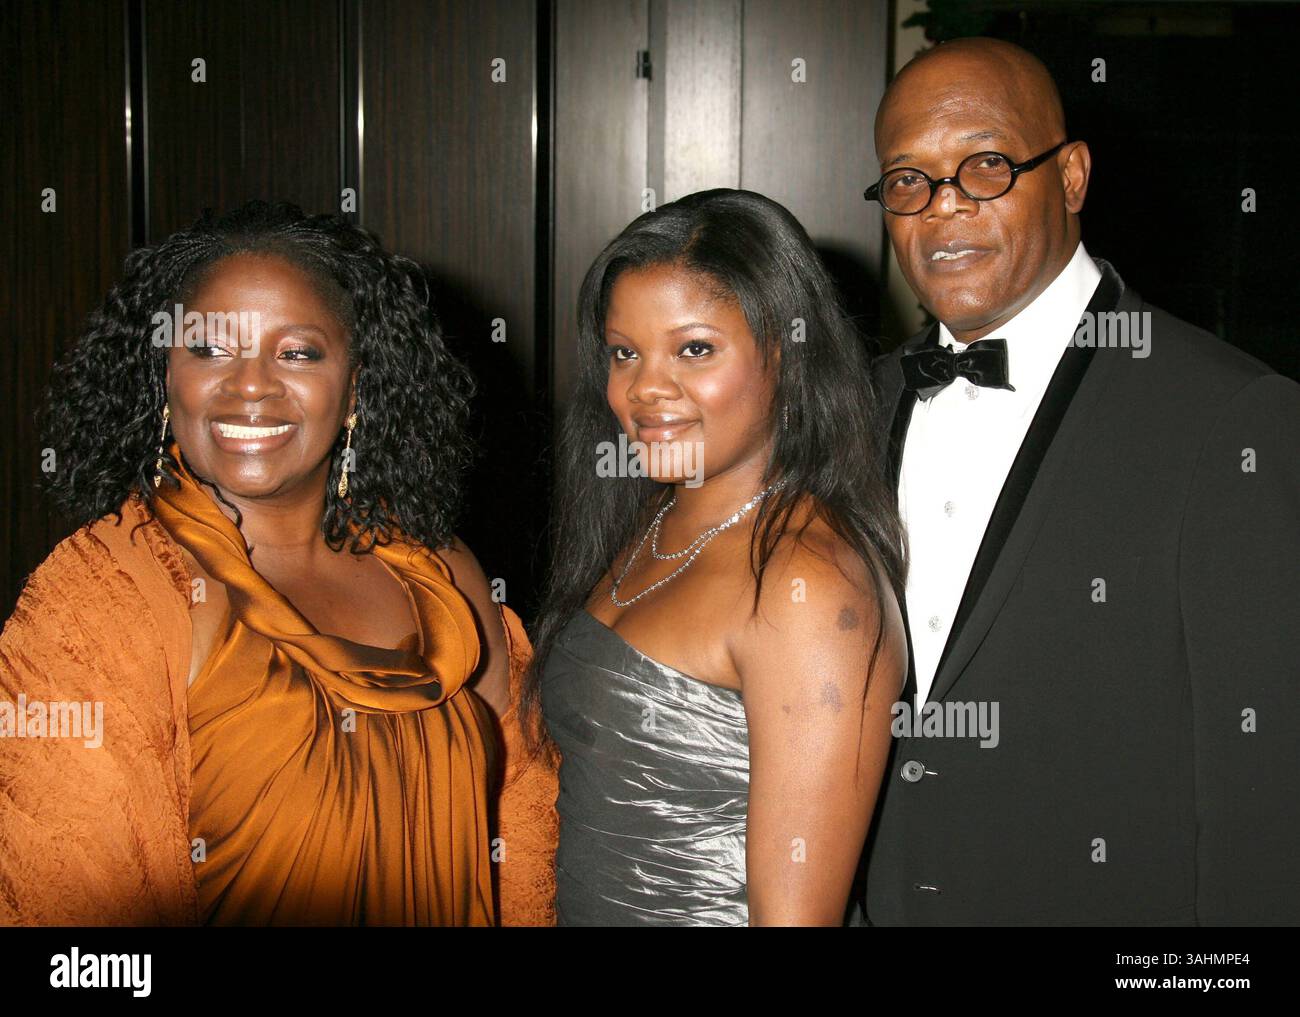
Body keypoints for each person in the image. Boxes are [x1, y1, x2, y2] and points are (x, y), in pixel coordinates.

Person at [0, 200, 557, 926]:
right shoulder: (104, 594)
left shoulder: (443, 573)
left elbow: (524, 846)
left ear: (356, 386)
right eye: (209, 349)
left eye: (296, 353)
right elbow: (68, 919)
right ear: (163, 376)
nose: (251, 385)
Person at [859, 37, 1300, 925]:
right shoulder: (855, 403)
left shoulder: (1230, 416)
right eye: (908, 179)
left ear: (1070, 177)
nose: (943, 207)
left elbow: (1265, 803)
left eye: (985, 165)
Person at [523, 188, 908, 926]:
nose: (644, 389)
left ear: (787, 355)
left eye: (694, 349)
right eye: (624, 352)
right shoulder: (651, 518)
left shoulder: (808, 585)